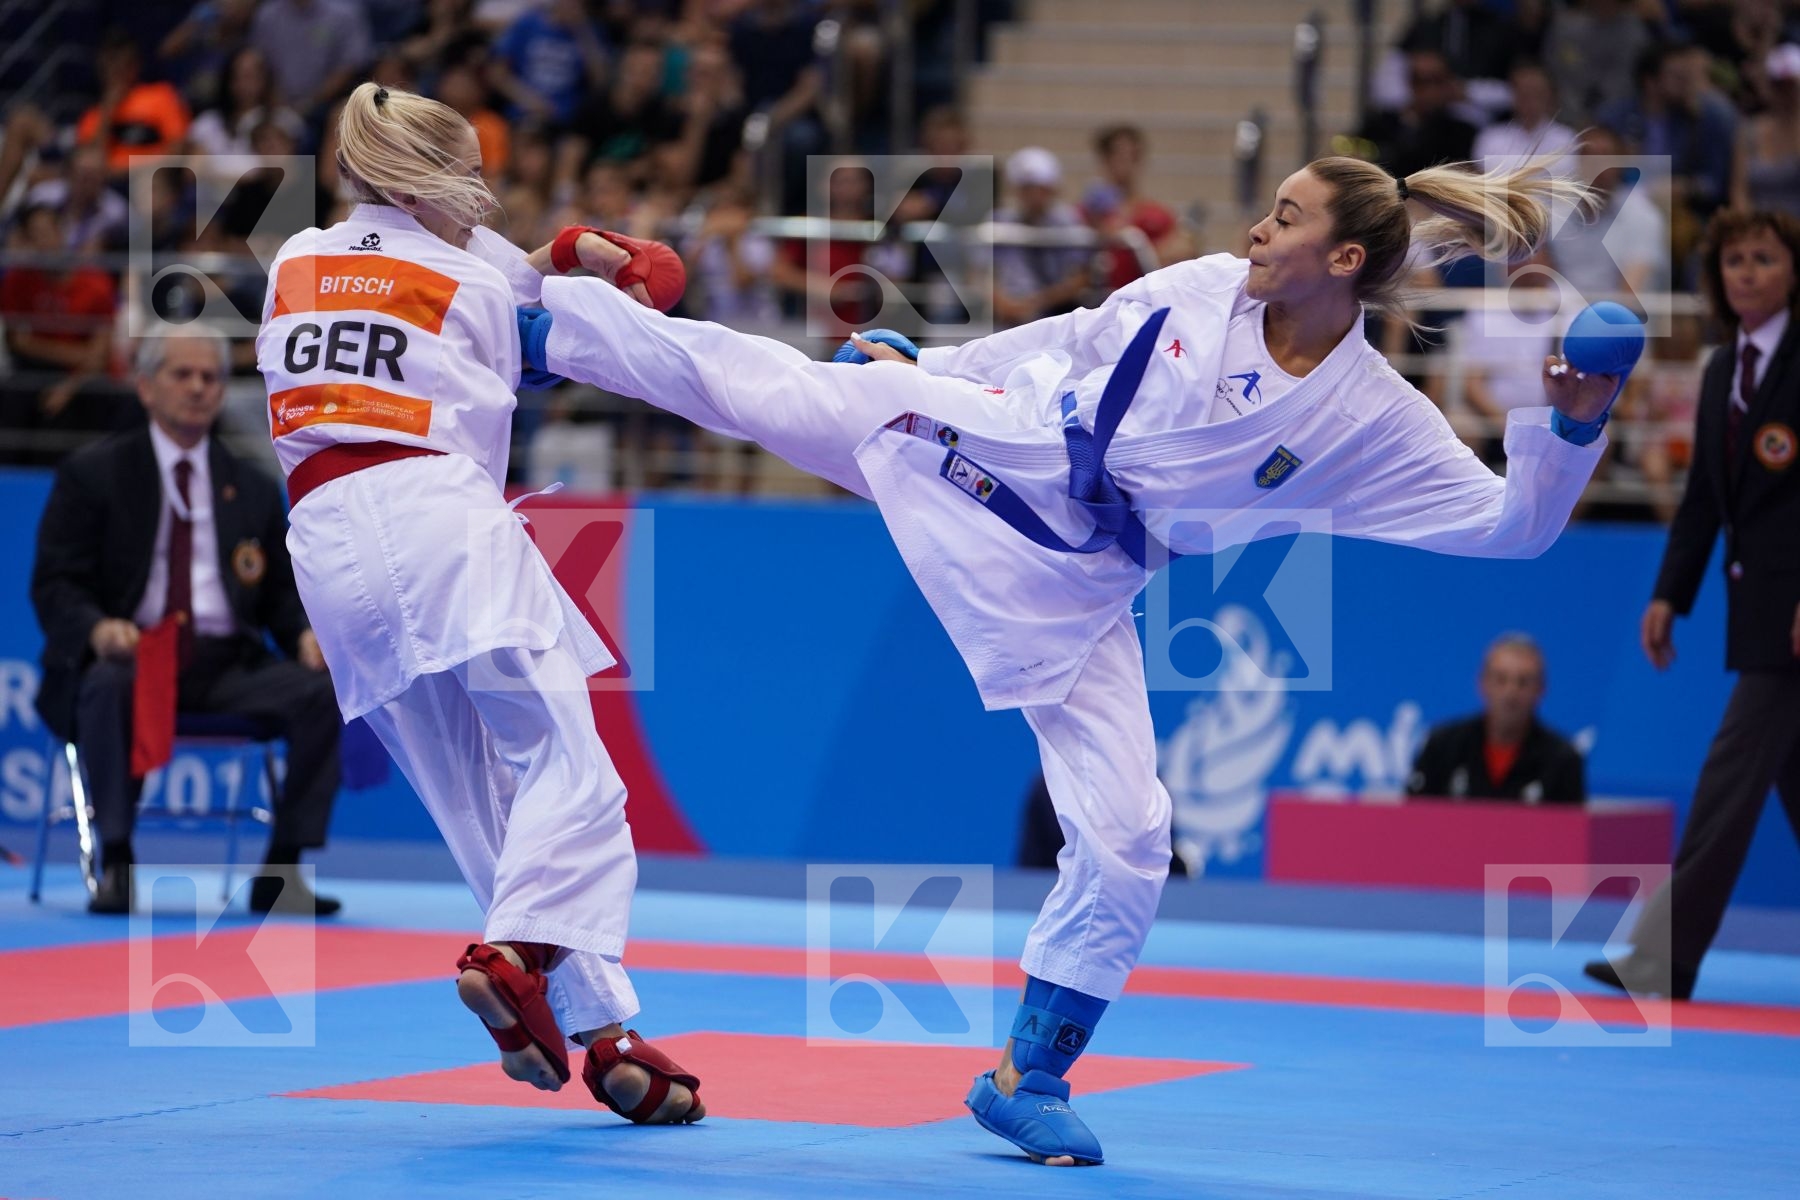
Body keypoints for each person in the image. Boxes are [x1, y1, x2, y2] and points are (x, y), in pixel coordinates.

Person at [519, 152, 1619, 1166]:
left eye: (1285, 215)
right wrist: (937, 360)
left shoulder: (1372, 420)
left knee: (1134, 832)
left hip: (1092, 579)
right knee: (766, 387)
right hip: (1002, 450)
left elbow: (1511, 528)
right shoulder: (1201, 288)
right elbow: (1074, 338)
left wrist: (1573, 429)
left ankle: (1027, 1070)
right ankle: (544, 326)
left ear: (1342, 259)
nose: (1256, 225)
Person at [255, 83, 701, 1123]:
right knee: (572, 773)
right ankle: (518, 953)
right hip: (439, 519)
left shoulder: (297, 259)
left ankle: (606, 1034)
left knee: (479, 805)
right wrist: (620, 289)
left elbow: (475, 280)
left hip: (328, 547)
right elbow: (537, 339)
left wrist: (576, 248)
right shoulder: (467, 279)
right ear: (443, 182)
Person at [29, 332, 341, 915]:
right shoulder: (93, 473)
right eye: (182, 375)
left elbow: (279, 592)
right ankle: (116, 860)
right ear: (146, 387)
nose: (199, 388)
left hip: (227, 665)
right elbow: (55, 582)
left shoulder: (248, 485)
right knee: (106, 686)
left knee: (323, 693)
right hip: (134, 657)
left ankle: (282, 872)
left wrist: (302, 632)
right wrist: (98, 629)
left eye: (211, 377)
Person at [1585, 209, 1800, 1003]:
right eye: (1735, 260)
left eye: (1764, 258)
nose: (1747, 272)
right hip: (1759, 615)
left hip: (1792, 621)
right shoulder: (1719, 372)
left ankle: (1660, 958)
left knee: (1726, 784)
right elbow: (1707, 498)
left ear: (1794, 272)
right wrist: (1670, 594)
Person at [1407, 633, 1585, 805]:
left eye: (1523, 682)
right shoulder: (1443, 746)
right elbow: (1412, 818)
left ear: (1541, 689)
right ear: (1482, 683)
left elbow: (1571, 831)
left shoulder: (1562, 760)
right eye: (1501, 679)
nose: (1511, 692)